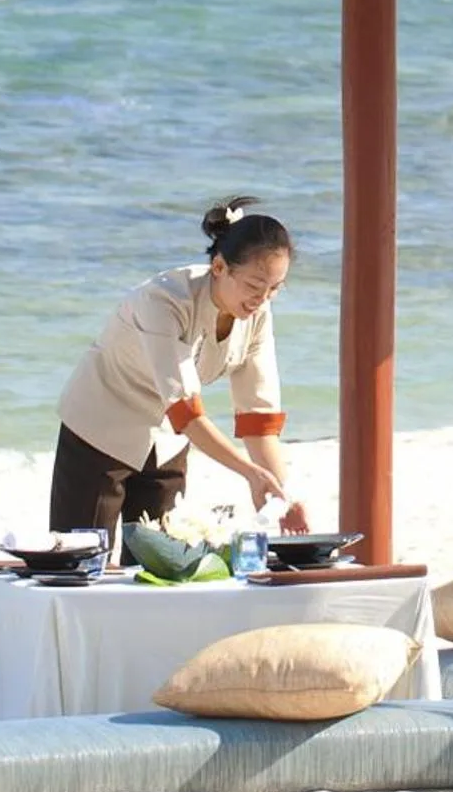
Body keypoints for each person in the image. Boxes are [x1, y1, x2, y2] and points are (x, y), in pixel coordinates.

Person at [49, 196, 312, 538]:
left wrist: (283, 496)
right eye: (253, 286)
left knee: (162, 560)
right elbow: (184, 410)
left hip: (167, 442)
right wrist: (249, 473)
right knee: (83, 556)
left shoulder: (257, 314)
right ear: (219, 267)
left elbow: (258, 418)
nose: (261, 299)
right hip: (100, 429)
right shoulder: (164, 299)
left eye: (274, 289)